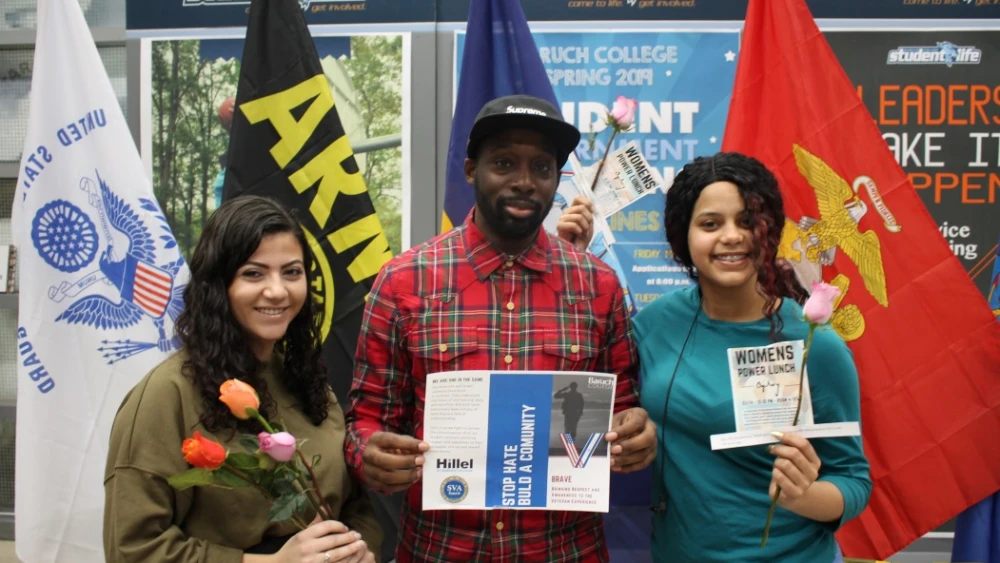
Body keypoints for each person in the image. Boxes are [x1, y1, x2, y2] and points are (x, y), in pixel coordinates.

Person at [344, 94, 657, 563]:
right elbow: (366, 418)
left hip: (566, 551)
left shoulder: (599, 286)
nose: (525, 182)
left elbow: (624, 408)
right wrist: (368, 453)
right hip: (440, 549)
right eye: (505, 163)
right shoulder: (404, 281)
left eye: (543, 168)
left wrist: (635, 433)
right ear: (472, 170)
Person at [557, 152, 871, 562]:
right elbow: (574, 385)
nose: (732, 236)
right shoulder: (655, 324)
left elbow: (854, 483)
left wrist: (804, 495)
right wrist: (572, 266)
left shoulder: (817, 346)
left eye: (747, 221)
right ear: (682, 237)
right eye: (710, 224)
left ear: (770, 229)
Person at [104, 195, 382, 563]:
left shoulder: (307, 381)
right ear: (218, 285)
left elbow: (357, 505)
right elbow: (132, 549)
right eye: (254, 273)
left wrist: (360, 550)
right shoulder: (165, 394)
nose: (278, 290)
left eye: (292, 272)